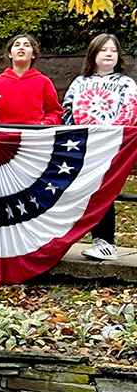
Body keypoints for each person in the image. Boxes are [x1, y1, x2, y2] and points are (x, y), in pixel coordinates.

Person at [64, 34, 137, 261]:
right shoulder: (79, 83)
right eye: (103, 49)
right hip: (84, 146)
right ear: (93, 54)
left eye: (113, 50)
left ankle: (105, 243)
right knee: (83, 191)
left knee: (105, 190)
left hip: (112, 146)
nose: (108, 54)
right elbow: (68, 111)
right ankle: (70, 239)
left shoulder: (126, 84)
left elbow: (130, 112)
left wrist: (108, 136)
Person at [0, 33, 63, 125]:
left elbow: (55, 112)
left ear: (33, 55)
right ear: (10, 54)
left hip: (34, 136)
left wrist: (43, 125)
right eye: (17, 45)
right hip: (3, 137)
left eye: (26, 45)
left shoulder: (44, 82)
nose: (21, 48)